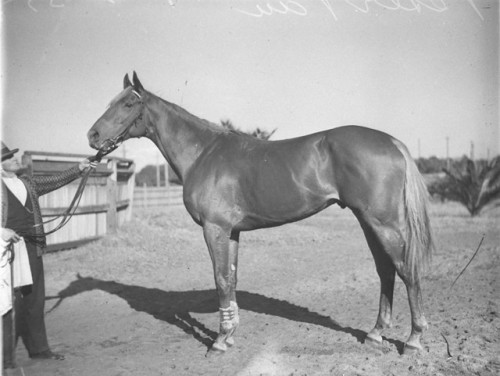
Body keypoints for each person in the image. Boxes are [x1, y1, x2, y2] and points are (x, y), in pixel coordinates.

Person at [1, 142, 96, 369]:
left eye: (13, 155)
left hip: (32, 248)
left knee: (34, 299)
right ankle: (5, 358)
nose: (15, 158)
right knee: (6, 304)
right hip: (6, 251)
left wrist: (79, 168)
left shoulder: (27, 183)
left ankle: (39, 349)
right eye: (8, 157)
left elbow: (54, 181)